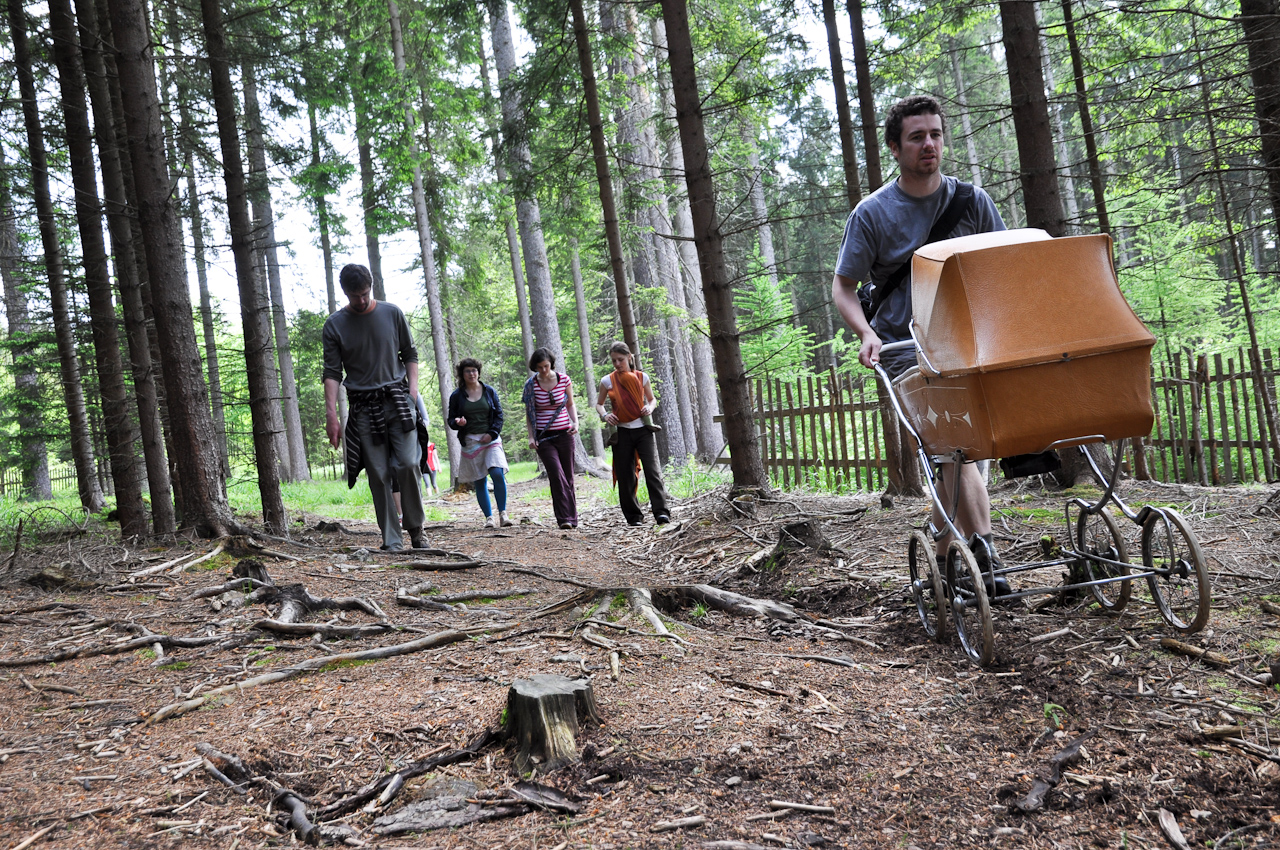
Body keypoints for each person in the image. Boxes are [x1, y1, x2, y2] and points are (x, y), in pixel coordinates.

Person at [829, 95, 1007, 586]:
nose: (929, 144)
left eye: (935, 134)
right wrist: (866, 333)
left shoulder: (973, 202)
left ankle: (942, 557)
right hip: (904, 349)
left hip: (967, 347)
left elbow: (1001, 267)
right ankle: (986, 557)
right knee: (954, 446)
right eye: (916, 137)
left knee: (955, 456)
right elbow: (843, 287)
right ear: (895, 147)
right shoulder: (872, 214)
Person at [323, 263, 427, 552]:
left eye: (365, 293)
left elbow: (409, 353)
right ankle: (391, 539)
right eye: (355, 296)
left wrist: (413, 391)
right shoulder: (334, 325)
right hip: (363, 407)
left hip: (398, 400)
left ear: (371, 287)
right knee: (379, 474)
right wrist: (332, 416)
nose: (361, 300)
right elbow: (332, 372)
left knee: (408, 463)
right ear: (345, 293)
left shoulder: (392, 313)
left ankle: (417, 530)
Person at [595, 341, 670, 527]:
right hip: (621, 432)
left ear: (629, 357)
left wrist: (649, 408)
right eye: (614, 360)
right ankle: (634, 517)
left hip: (643, 430)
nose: (617, 364)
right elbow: (599, 404)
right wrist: (605, 415)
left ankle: (661, 513)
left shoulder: (642, 377)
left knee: (652, 472)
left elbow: (652, 400)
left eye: (620, 359)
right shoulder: (607, 381)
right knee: (625, 475)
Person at [447, 358, 512, 528]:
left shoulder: (489, 391)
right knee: (479, 479)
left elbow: (499, 415)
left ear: (479, 372)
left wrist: (492, 433)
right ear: (462, 374)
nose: (472, 374)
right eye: (468, 371)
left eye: (474, 370)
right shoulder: (457, 396)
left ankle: (503, 514)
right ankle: (489, 518)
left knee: (497, 473)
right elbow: (451, 420)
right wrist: (458, 422)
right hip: (470, 441)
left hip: (491, 439)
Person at [523, 347, 580, 529]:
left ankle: (572, 518)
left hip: (565, 434)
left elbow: (570, 404)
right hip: (544, 437)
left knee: (568, 476)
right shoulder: (530, 385)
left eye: (546, 366)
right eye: (539, 367)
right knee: (556, 474)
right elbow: (529, 413)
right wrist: (531, 437)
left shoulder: (564, 380)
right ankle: (564, 519)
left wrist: (575, 422)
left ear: (551, 364)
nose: (543, 370)